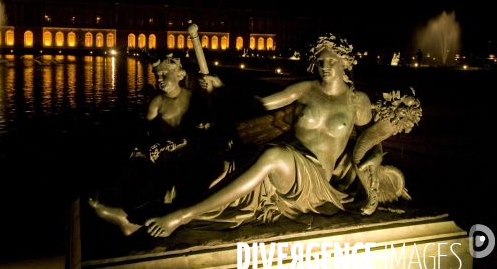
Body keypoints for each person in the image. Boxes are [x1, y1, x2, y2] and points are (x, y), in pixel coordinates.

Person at [142, 34, 385, 237]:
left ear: (344, 62)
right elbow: (260, 104)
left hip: (315, 179)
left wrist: (375, 158)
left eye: (331, 61)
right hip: (287, 168)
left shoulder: (357, 100)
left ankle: (182, 216)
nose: (325, 67)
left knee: (272, 154)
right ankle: (145, 215)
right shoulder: (306, 89)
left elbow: (372, 139)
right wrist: (222, 89)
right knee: (228, 168)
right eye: (320, 61)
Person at [88, 54, 238, 235]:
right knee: (141, 169)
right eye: (157, 76)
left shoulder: (194, 99)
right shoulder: (156, 103)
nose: (160, 79)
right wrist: (147, 147)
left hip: (191, 153)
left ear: (179, 75)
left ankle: (132, 220)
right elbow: (144, 133)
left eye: (164, 74)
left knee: (169, 181)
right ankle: (130, 215)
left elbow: (206, 130)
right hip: (166, 153)